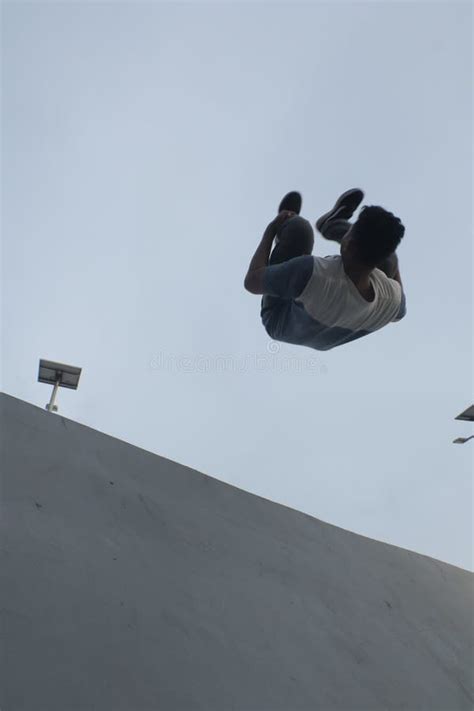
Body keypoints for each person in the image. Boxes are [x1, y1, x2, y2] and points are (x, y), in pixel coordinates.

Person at [244, 189, 406, 351]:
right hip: (325, 337)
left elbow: (251, 281)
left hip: (280, 317)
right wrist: (387, 253)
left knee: (299, 229)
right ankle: (331, 223)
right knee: (390, 263)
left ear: (348, 245)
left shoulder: (311, 273)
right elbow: (399, 313)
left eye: (349, 233)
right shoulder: (390, 299)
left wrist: (271, 229)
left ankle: (285, 234)